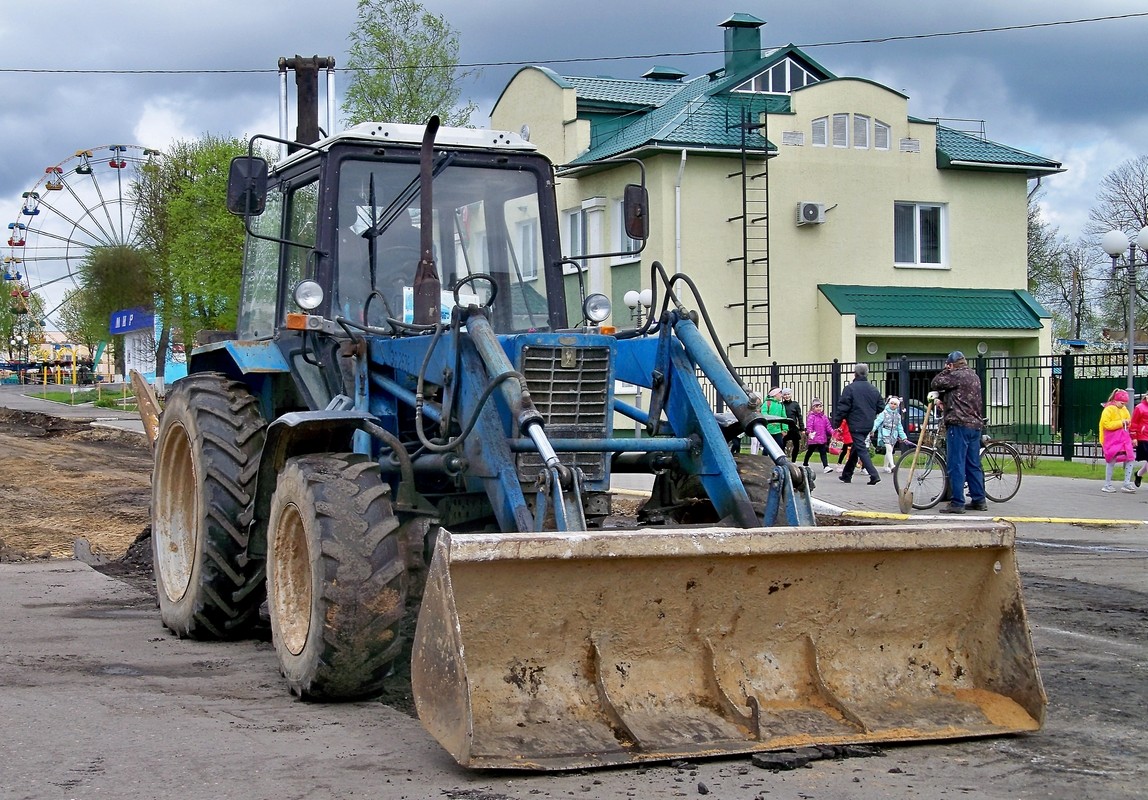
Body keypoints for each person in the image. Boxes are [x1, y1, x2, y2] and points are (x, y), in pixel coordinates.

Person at [929, 351, 986, 513]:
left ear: (952, 364)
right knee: (973, 464)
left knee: (956, 464)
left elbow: (936, 383)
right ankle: (979, 500)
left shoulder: (955, 375)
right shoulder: (973, 376)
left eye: (948, 365)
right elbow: (961, 397)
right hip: (975, 426)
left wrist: (947, 370)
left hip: (959, 425)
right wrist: (946, 401)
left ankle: (957, 502)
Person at [830, 364, 884, 485]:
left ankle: (874, 475)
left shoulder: (850, 389)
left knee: (860, 448)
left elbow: (843, 407)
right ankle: (846, 475)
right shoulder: (873, 389)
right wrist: (869, 413)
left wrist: (837, 423)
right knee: (856, 448)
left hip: (855, 424)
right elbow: (881, 407)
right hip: (868, 424)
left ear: (855, 374)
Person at [1099, 388, 1135, 493]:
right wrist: (1121, 423)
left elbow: (1129, 421)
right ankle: (1107, 484)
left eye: (1125, 403)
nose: (1123, 405)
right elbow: (1106, 424)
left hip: (1123, 439)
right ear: (1115, 400)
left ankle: (1126, 483)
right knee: (1111, 460)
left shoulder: (1124, 410)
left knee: (1130, 458)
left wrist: (1128, 423)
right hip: (1112, 439)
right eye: (1121, 403)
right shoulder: (1108, 409)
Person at [871, 396, 909, 472]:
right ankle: (892, 465)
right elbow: (877, 422)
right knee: (888, 448)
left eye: (895, 404)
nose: (893, 405)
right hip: (884, 433)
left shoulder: (898, 416)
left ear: (897, 406)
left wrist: (903, 437)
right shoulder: (884, 413)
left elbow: (899, 427)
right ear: (888, 403)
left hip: (893, 435)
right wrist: (872, 430)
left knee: (890, 450)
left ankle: (885, 466)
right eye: (891, 403)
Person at [802, 398, 835, 473]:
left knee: (823, 452)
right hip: (814, 438)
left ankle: (826, 466)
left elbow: (828, 427)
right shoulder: (811, 417)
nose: (819, 408)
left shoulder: (824, 417)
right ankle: (805, 463)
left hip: (822, 438)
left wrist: (833, 433)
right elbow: (809, 426)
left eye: (820, 406)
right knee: (810, 451)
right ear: (813, 408)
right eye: (817, 407)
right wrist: (810, 432)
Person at [780, 387, 805, 461]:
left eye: (788, 394)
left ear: (791, 395)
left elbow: (799, 416)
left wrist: (802, 428)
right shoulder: (781, 405)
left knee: (796, 445)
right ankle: (783, 460)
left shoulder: (795, 404)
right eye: (785, 395)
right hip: (784, 427)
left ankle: (793, 460)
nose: (787, 396)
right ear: (783, 396)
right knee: (782, 444)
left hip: (793, 427)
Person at [1130, 392, 1148, 487]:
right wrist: (1134, 437)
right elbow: (1134, 423)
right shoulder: (1140, 407)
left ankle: (1139, 474)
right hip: (1143, 437)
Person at [764, 387, 787, 452]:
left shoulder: (781, 405)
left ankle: (779, 461)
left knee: (780, 446)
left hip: (778, 431)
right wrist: (770, 421)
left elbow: (784, 417)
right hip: (768, 430)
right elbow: (764, 414)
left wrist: (785, 429)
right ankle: (764, 460)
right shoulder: (767, 403)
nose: (781, 395)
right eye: (780, 393)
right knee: (767, 447)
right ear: (774, 394)